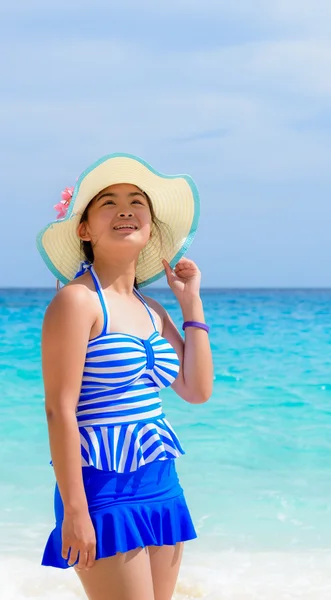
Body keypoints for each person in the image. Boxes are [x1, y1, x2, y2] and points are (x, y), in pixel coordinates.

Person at [36, 153, 213, 600]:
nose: (126, 209)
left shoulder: (151, 310)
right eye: (108, 203)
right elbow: (60, 411)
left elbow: (196, 390)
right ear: (84, 228)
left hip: (160, 480)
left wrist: (191, 304)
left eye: (137, 201)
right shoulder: (77, 302)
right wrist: (75, 508)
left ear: (151, 227)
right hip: (102, 487)